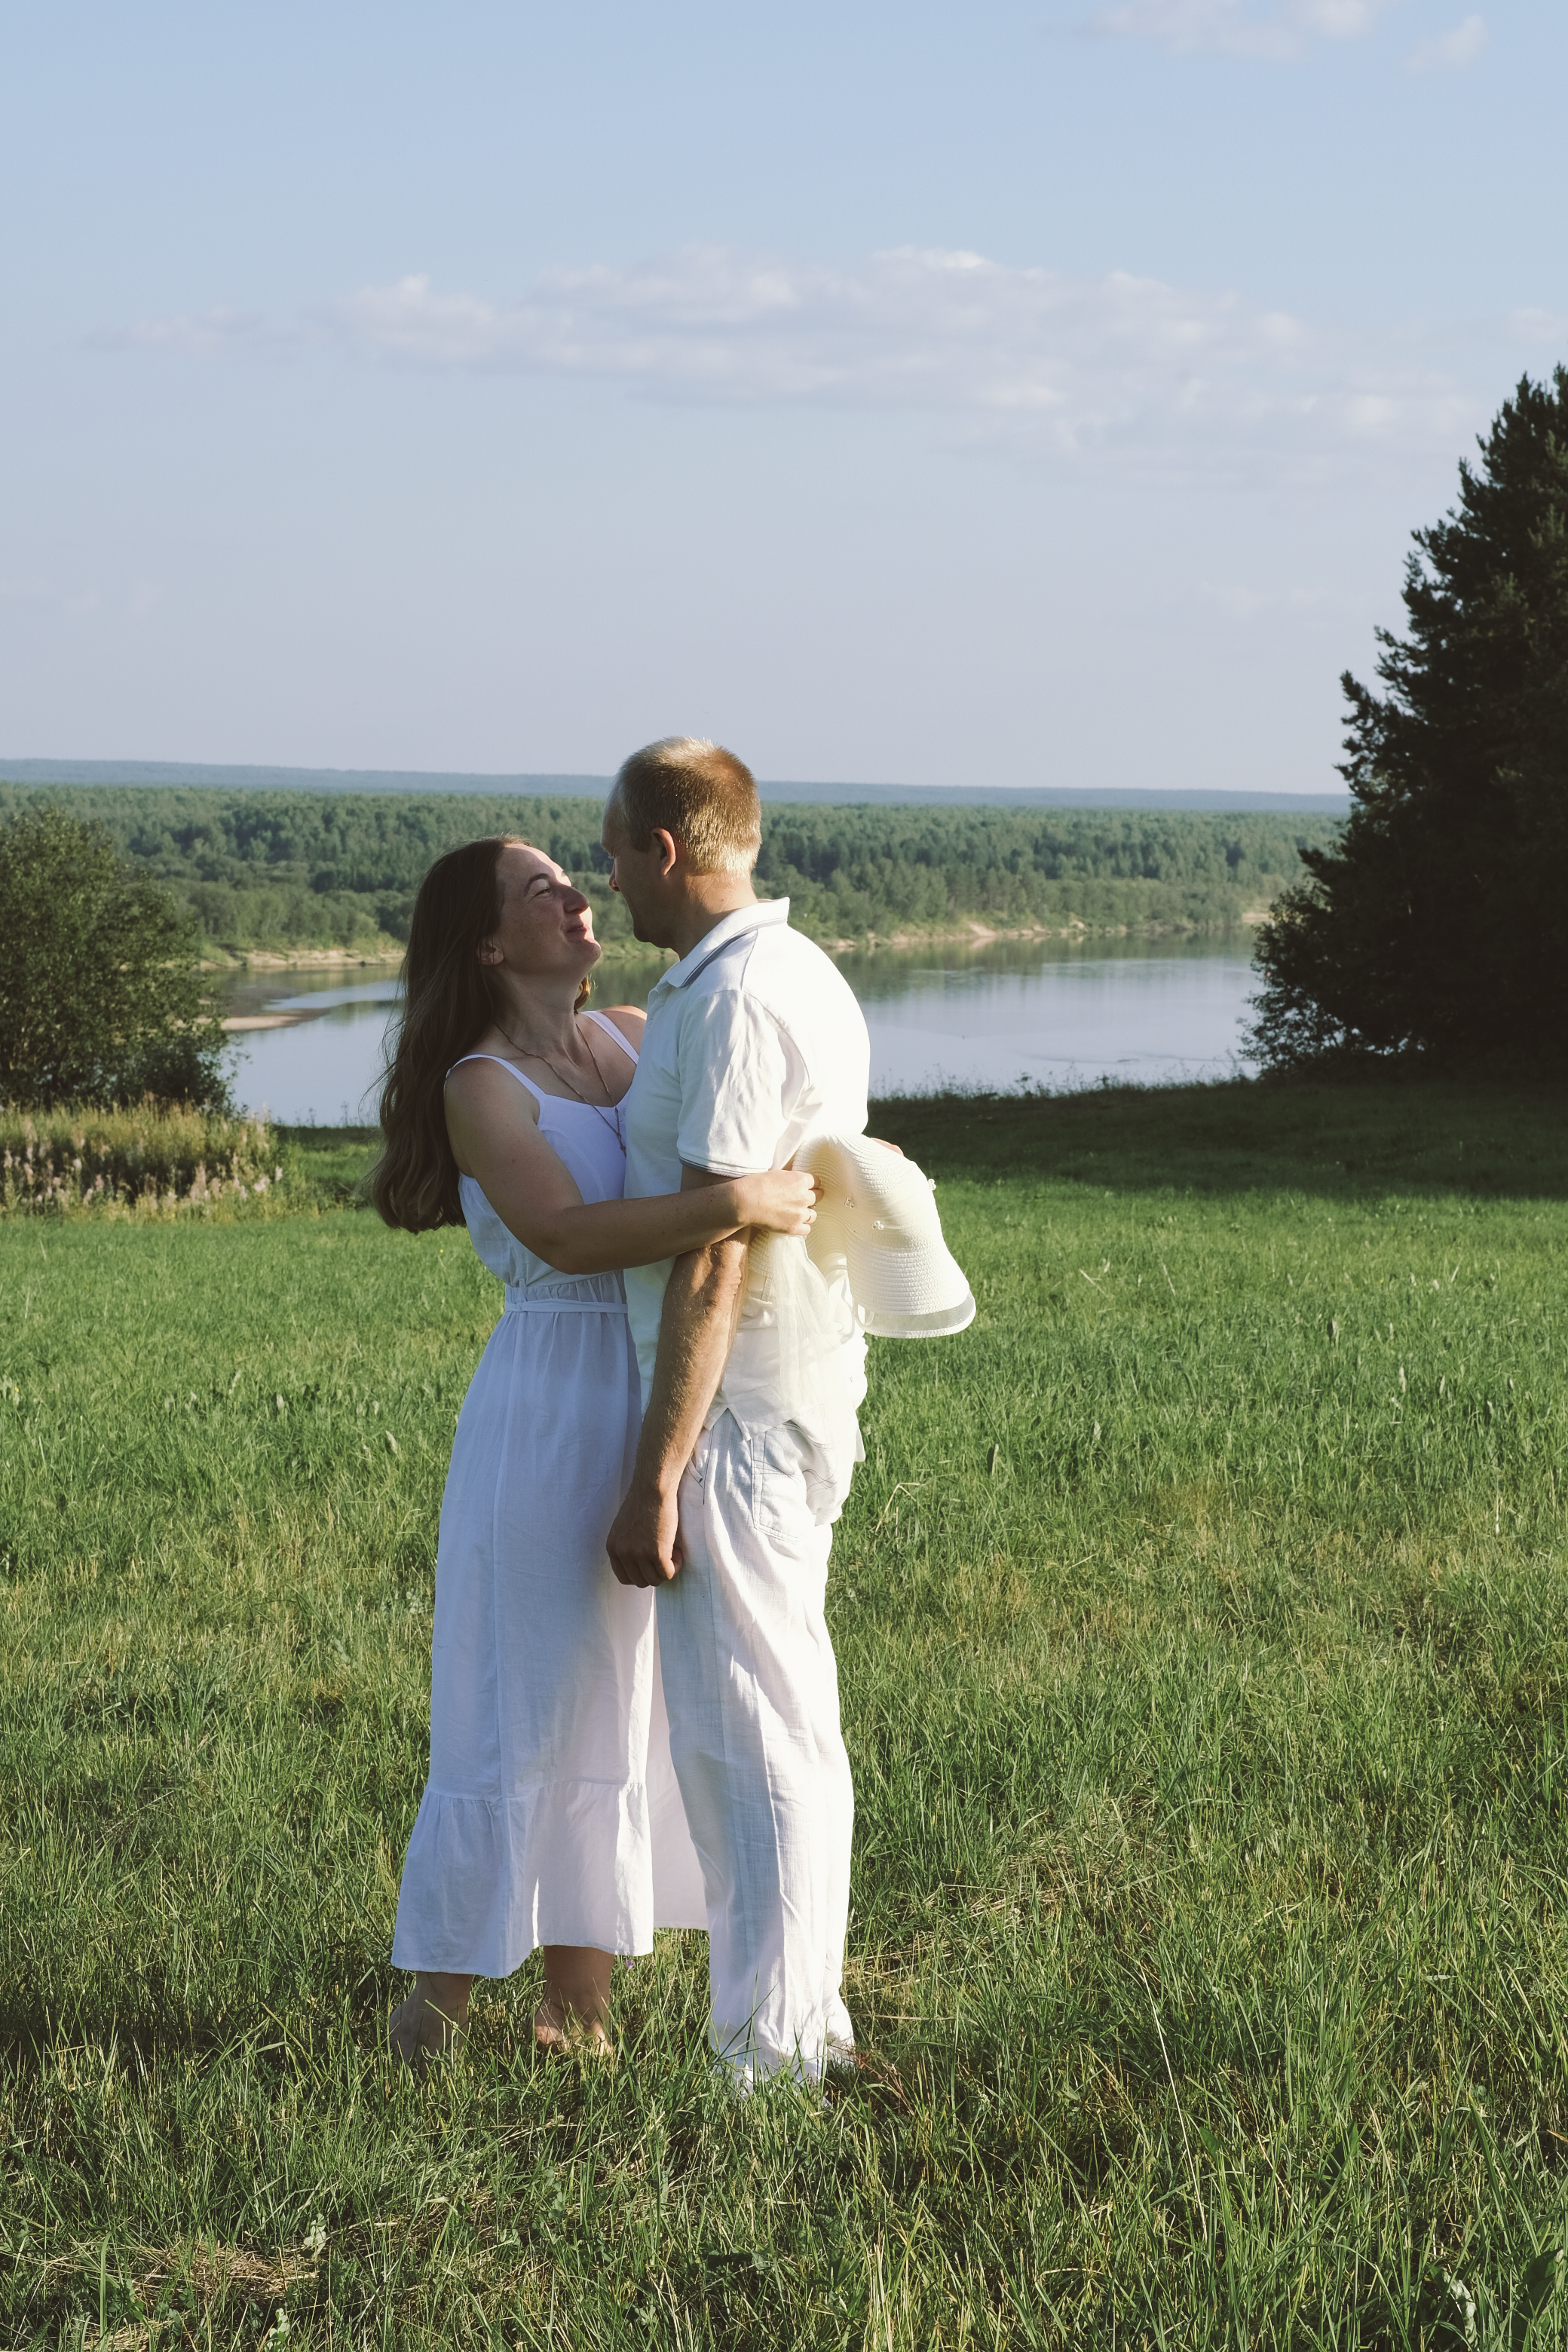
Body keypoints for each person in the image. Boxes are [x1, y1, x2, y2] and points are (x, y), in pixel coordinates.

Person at [366, 833, 822, 2069]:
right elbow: (567, 1235)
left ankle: (579, 2017)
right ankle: (435, 2013)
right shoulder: (478, 1084)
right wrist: (739, 1201)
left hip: (645, 1389)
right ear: (487, 943)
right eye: (542, 892)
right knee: (521, 1706)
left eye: (578, 879)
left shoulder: (629, 1031)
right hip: (544, 1406)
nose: (577, 899)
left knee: (624, 1708)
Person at [602, 737, 873, 2087]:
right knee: (784, 1721)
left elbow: (718, 1252)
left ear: (663, 849)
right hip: (782, 1397)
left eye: (610, 849)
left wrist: (657, 1472)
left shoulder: (738, 1001)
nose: (606, 878)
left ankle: (769, 2059)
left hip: (741, 1413)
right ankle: (805, 2024)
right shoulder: (782, 971)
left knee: (746, 1736)